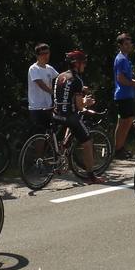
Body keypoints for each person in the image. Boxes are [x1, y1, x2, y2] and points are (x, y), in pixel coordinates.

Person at [52, 49, 104, 184]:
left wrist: (81, 89)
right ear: (77, 64)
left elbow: (66, 91)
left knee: (70, 129)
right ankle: (91, 177)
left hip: (56, 114)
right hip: (70, 116)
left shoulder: (61, 76)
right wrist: (87, 102)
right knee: (87, 142)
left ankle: (62, 155)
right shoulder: (77, 80)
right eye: (83, 63)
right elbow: (80, 106)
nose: (85, 65)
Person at [112, 33, 135, 158]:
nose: (129, 46)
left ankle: (120, 148)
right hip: (123, 95)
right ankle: (118, 149)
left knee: (127, 121)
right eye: (126, 44)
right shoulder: (121, 59)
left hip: (127, 95)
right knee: (124, 122)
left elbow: (126, 78)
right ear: (120, 45)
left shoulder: (125, 58)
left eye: (129, 43)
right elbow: (120, 79)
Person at [27, 43, 57, 133]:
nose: (45, 56)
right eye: (42, 54)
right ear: (37, 55)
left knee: (51, 132)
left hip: (48, 106)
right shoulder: (33, 68)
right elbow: (40, 84)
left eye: (47, 53)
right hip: (37, 107)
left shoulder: (49, 68)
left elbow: (60, 78)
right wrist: (53, 92)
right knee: (40, 135)